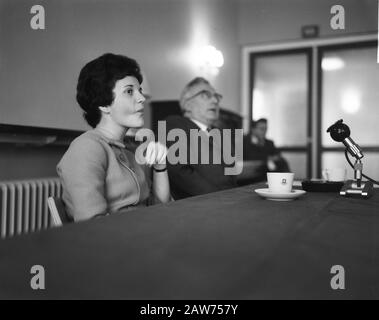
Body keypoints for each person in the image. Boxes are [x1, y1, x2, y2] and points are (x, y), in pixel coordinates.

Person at [57, 53, 170, 221]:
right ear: (104, 103)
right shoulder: (87, 148)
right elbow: (92, 225)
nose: (141, 98)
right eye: (129, 91)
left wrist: (160, 165)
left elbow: (160, 208)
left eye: (139, 91)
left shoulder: (128, 151)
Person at [165, 77, 237, 200]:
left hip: (229, 202)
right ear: (188, 104)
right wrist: (221, 198)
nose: (215, 100)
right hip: (199, 206)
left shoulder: (221, 134)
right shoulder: (175, 125)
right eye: (206, 95)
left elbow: (231, 176)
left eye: (216, 96)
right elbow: (181, 172)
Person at [242, 118, 290, 183]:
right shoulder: (244, 141)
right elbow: (249, 158)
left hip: (267, 170)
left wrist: (271, 158)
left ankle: (287, 182)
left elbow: (277, 155)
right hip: (253, 170)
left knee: (282, 162)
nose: (264, 131)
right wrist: (267, 158)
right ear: (253, 130)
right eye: (262, 129)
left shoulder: (269, 143)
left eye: (266, 129)